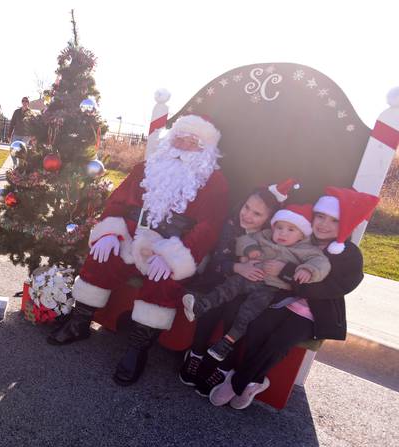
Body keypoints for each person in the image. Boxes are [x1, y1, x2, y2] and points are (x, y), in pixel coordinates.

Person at [47, 115, 229, 386]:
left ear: (206, 149)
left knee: (163, 279)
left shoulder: (214, 183)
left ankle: (138, 348)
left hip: (171, 249)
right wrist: (110, 232)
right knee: (102, 254)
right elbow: (116, 202)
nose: (184, 145)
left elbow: (208, 229)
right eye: (180, 137)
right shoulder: (146, 167)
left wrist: (173, 256)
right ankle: (80, 322)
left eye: (194, 141)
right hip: (131, 238)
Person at [208, 186, 379, 409]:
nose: (324, 224)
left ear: (346, 224)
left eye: (334, 221)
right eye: (320, 216)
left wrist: (287, 270)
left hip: (314, 313)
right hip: (282, 300)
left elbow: (341, 285)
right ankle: (256, 381)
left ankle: (238, 381)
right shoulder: (302, 237)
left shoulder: (348, 254)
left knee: (279, 342)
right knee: (258, 327)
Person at [179, 180, 297, 395]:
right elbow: (216, 261)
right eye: (247, 208)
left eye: (257, 214)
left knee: (238, 312)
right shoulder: (232, 226)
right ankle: (196, 353)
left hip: (253, 289)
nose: (248, 216)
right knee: (213, 303)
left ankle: (224, 367)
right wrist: (238, 267)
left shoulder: (272, 238)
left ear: (270, 220)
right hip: (220, 278)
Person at [183, 203, 331, 362]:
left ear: (302, 235)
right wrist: (249, 250)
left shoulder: (306, 249)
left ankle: (226, 343)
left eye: (290, 230)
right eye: (279, 227)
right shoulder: (266, 236)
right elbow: (246, 239)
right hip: (252, 276)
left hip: (272, 288)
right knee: (228, 287)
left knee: (248, 312)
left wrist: (307, 270)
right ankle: (201, 306)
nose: (283, 233)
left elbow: (321, 263)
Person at [7, 97, 34, 167]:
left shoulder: (31, 113)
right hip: (16, 134)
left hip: (26, 136)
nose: (25, 103)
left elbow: (33, 125)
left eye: (26, 101)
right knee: (12, 150)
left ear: (28, 103)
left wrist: (32, 136)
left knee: (22, 152)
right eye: (23, 101)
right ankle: (15, 164)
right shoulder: (16, 112)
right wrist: (9, 135)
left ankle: (20, 166)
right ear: (22, 102)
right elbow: (12, 123)